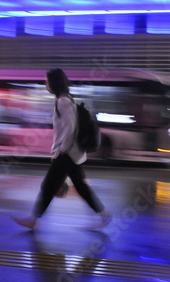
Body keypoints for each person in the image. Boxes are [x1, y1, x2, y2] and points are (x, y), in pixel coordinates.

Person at [13, 68, 112, 230]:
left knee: (49, 186)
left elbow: (70, 128)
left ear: (54, 83)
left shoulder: (63, 102)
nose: (46, 85)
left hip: (66, 154)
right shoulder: (65, 99)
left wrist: (63, 149)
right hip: (71, 153)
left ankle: (33, 219)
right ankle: (104, 214)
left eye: (47, 81)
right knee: (79, 187)